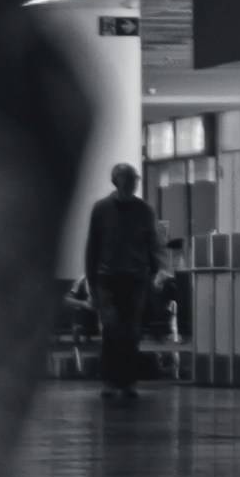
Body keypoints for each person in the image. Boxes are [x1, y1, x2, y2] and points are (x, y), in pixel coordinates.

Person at [82, 161, 160, 404]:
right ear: (118, 182)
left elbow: (152, 245)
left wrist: (153, 273)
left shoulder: (144, 211)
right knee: (112, 328)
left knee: (131, 332)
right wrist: (92, 283)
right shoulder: (101, 209)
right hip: (107, 278)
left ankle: (127, 382)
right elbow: (92, 246)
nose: (133, 184)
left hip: (136, 279)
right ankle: (109, 380)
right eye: (129, 180)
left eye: (135, 180)